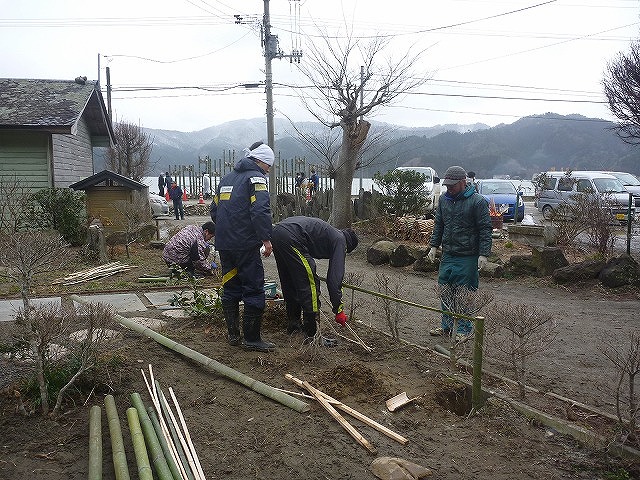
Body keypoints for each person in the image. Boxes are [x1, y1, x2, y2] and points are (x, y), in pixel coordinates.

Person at [210, 141, 275, 352]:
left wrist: (226, 230)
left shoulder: (226, 179)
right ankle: (252, 338)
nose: (268, 170)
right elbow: (260, 210)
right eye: (268, 165)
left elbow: (214, 210)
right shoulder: (256, 179)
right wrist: (266, 239)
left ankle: (233, 335)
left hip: (225, 245)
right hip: (246, 245)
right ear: (261, 161)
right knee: (253, 287)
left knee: (230, 286)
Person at [271, 216, 359, 346]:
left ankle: (294, 327)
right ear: (348, 246)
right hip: (292, 237)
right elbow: (334, 279)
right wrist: (338, 309)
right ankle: (312, 335)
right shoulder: (340, 241)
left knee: (290, 281)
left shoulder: (331, 233)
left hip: (277, 232)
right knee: (310, 285)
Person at [427, 165, 492, 338]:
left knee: (464, 293)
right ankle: (447, 326)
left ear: (463, 182)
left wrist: (483, 254)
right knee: (445, 290)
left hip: (468, 255)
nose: (449, 188)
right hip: (448, 254)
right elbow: (439, 224)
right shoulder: (444, 200)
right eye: (447, 185)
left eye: (452, 185)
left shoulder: (477, 202)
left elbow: (485, 229)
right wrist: (434, 246)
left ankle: (463, 330)